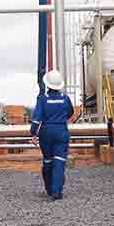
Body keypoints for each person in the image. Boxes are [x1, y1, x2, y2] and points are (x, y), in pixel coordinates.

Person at [31, 69, 73, 200]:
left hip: (46, 133)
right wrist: (60, 118)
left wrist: (33, 133)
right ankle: (56, 191)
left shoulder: (43, 99)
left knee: (48, 160)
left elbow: (37, 118)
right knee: (59, 161)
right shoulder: (65, 98)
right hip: (61, 131)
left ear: (47, 84)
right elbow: (70, 112)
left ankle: (49, 189)